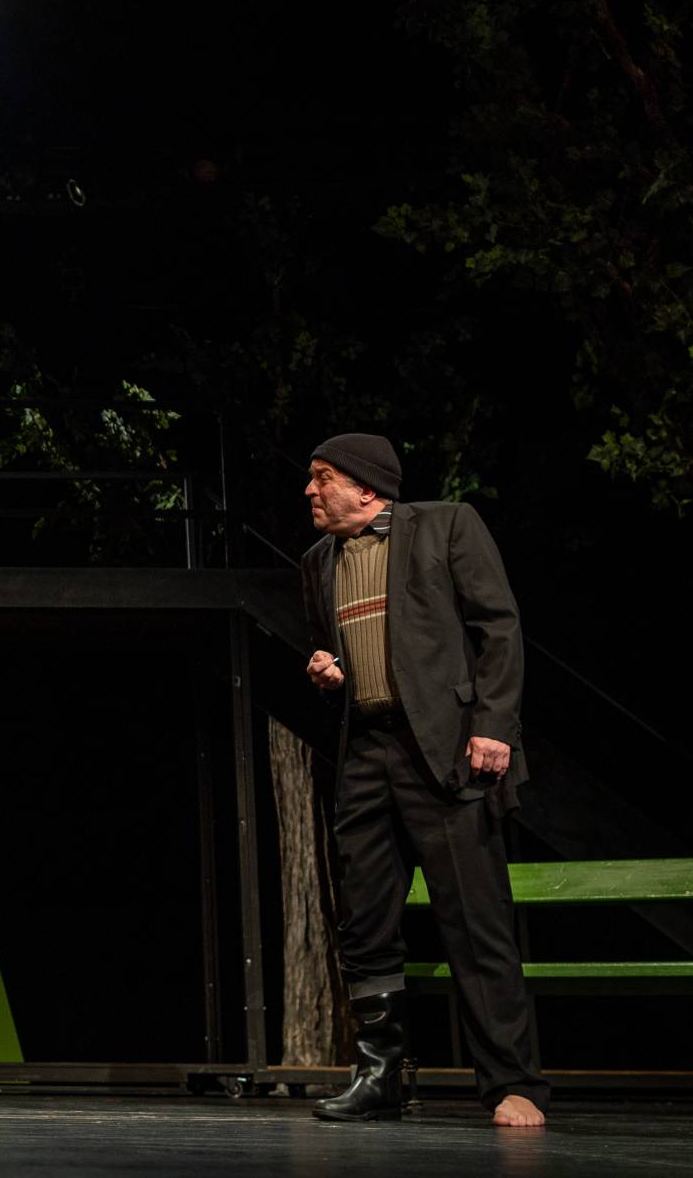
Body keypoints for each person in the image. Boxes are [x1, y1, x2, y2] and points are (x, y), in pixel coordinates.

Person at [299, 432, 548, 1128]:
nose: (310, 491)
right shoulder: (318, 561)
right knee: (365, 921)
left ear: (367, 487)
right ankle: (381, 1076)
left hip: (446, 751)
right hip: (364, 752)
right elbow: (339, 652)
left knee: (475, 920)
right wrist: (328, 673)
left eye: (323, 477)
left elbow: (499, 627)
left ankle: (513, 1082)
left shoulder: (446, 526)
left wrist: (494, 725)